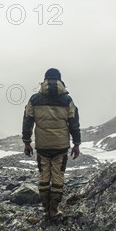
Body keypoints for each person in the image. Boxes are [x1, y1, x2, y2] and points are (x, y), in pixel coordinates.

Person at [22, 68, 81, 220]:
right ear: (60, 81)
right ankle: (53, 211)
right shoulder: (67, 101)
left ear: (45, 81)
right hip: (61, 147)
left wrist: (27, 142)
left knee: (43, 177)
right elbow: (74, 124)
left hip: (42, 147)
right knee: (58, 178)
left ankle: (45, 210)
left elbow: (27, 121)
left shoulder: (34, 100)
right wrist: (76, 144)